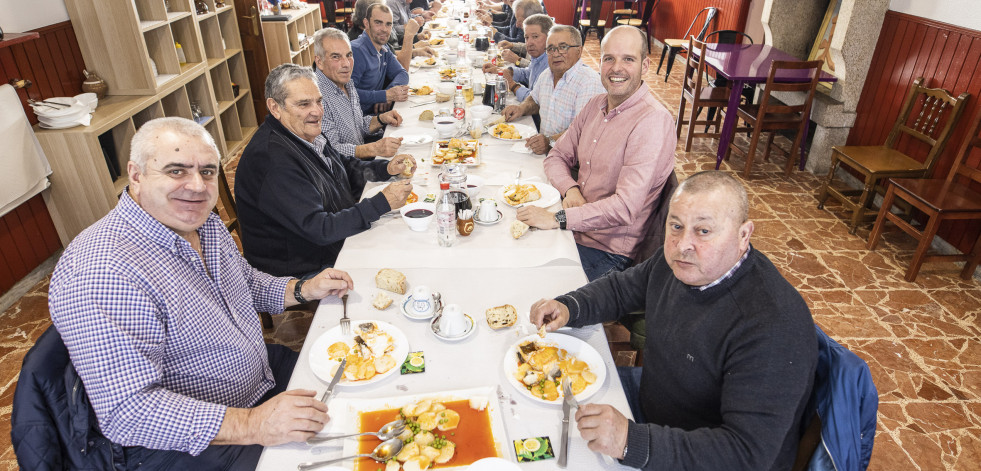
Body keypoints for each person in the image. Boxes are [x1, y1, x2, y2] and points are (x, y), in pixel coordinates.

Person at [47, 116, 356, 469]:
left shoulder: (201, 223)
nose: (197, 186)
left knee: (360, 392)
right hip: (185, 443)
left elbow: (245, 283)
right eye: (176, 171)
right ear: (136, 175)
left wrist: (303, 288)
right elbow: (128, 411)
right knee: (335, 458)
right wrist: (254, 424)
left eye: (208, 172)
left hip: (258, 381)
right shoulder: (104, 270)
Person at [530, 170, 819, 470]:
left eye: (703, 231)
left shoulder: (773, 325)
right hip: (651, 407)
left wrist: (631, 441)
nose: (683, 245)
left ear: (743, 235)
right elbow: (621, 289)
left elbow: (747, 454)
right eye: (676, 225)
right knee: (539, 407)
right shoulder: (681, 263)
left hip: (695, 454)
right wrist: (569, 306)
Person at [516, 26, 674, 280]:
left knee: (527, 281)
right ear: (599, 63)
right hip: (575, 228)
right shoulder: (595, 105)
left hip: (608, 251)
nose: (616, 68)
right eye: (609, 58)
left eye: (628, 59)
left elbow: (624, 208)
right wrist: (571, 189)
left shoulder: (653, 122)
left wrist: (559, 218)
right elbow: (556, 156)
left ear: (645, 66)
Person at [235, 64, 414, 278]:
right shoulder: (272, 160)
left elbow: (344, 167)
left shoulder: (304, 133)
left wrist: (385, 168)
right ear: (275, 108)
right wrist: (380, 203)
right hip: (303, 264)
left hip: (329, 235)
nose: (317, 111)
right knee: (404, 254)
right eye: (304, 104)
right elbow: (320, 229)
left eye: (319, 101)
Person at [503, 24, 605, 155]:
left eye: (563, 47)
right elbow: (535, 99)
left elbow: (583, 131)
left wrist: (550, 142)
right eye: (550, 48)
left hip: (570, 162)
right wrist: (521, 108)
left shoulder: (589, 82)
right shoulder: (546, 74)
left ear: (579, 51)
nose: (556, 54)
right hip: (543, 152)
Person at [314, 27, 406, 160]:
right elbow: (331, 151)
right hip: (346, 172)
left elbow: (357, 126)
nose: (346, 64)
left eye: (349, 55)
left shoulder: (347, 83)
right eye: (336, 57)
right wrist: (374, 148)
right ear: (319, 62)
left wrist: (381, 119)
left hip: (360, 162)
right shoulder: (317, 97)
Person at [352, 2, 410, 114]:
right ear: (366, 23)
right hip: (362, 121)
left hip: (378, 115)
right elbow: (348, 94)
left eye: (388, 24)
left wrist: (389, 93)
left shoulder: (384, 48)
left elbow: (402, 73)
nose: (384, 29)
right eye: (378, 23)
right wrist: (384, 96)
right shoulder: (356, 51)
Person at [482, 12, 550, 103]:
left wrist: (512, 84)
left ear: (550, 38)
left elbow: (536, 101)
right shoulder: (539, 56)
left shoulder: (552, 63)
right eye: (526, 37)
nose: (529, 43)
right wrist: (504, 71)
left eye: (535, 37)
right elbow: (528, 74)